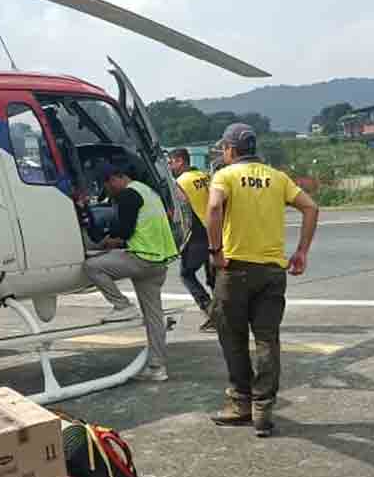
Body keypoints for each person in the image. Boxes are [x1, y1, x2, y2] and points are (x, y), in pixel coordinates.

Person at [205, 123, 319, 438]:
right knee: (267, 339)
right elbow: (311, 208)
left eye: (224, 149)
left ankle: (240, 402)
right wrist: (301, 252)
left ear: (230, 149)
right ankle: (263, 409)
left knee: (232, 337)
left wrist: (215, 250)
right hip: (271, 272)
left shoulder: (224, 176)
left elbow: (214, 207)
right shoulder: (278, 178)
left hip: (235, 269)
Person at [81, 163, 178, 382]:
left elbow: (124, 231)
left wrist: (106, 243)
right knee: (154, 317)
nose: (109, 192)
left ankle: (122, 306)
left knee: (92, 267)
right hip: (159, 262)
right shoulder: (148, 191)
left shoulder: (127, 194)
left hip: (141, 258)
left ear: (114, 179)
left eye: (107, 186)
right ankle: (157, 368)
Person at [167, 148, 216, 330]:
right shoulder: (204, 176)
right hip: (214, 231)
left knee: (186, 274)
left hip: (197, 233)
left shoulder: (180, 182)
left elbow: (179, 211)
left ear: (180, 161)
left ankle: (210, 310)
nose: (170, 166)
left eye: (171, 162)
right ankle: (223, 313)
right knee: (213, 277)